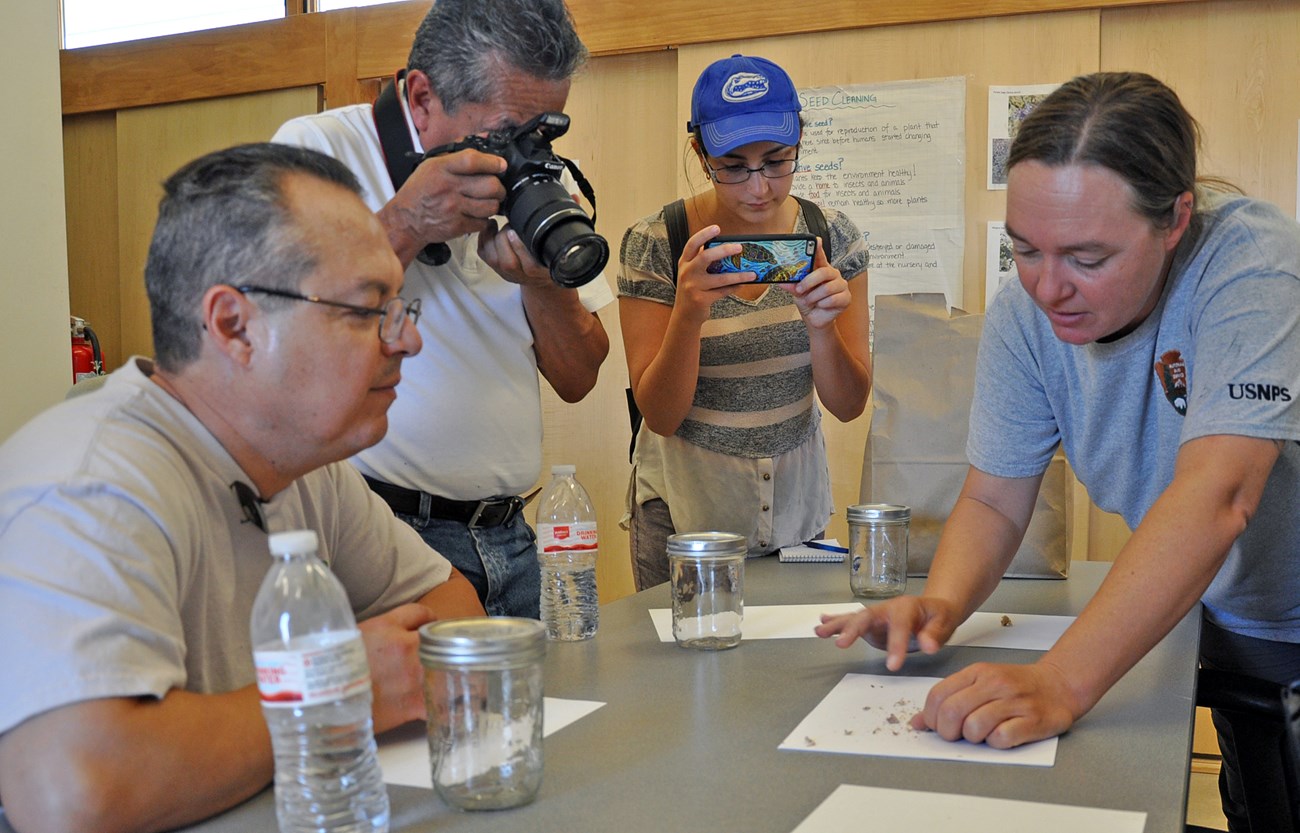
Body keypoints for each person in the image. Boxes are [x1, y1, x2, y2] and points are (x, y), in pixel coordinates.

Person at [815, 72, 1300, 832]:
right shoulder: (1025, 314)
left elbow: (1219, 495)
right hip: (1220, 621)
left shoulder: (1251, 261)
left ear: (1174, 219)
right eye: (1025, 250)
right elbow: (992, 496)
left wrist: (1062, 681)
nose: (1049, 288)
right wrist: (940, 606)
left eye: (1087, 257)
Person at [0, 143, 486, 833]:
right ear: (234, 326)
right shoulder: (91, 484)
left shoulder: (303, 464)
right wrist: (336, 690)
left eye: (397, 307)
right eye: (364, 310)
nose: (404, 342)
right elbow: (72, 789)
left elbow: (451, 609)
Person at [271, 0, 613, 619]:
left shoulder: (542, 181)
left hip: (513, 537)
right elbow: (287, 333)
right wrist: (405, 223)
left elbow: (578, 377)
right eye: (507, 132)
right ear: (423, 97)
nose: (521, 155)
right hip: (382, 537)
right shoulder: (318, 152)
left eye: (544, 129)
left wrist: (543, 285)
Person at [618, 54, 872, 590]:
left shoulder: (832, 236)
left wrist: (822, 326)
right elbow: (659, 416)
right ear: (700, 154)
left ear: (800, 140)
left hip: (794, 510)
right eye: (732, 166)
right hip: (684, 511)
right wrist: (687, 314)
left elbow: (849, 406)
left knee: (790, 663)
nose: (759, 188)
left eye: (777, 161)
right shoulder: (658, 242)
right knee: (683, 665)